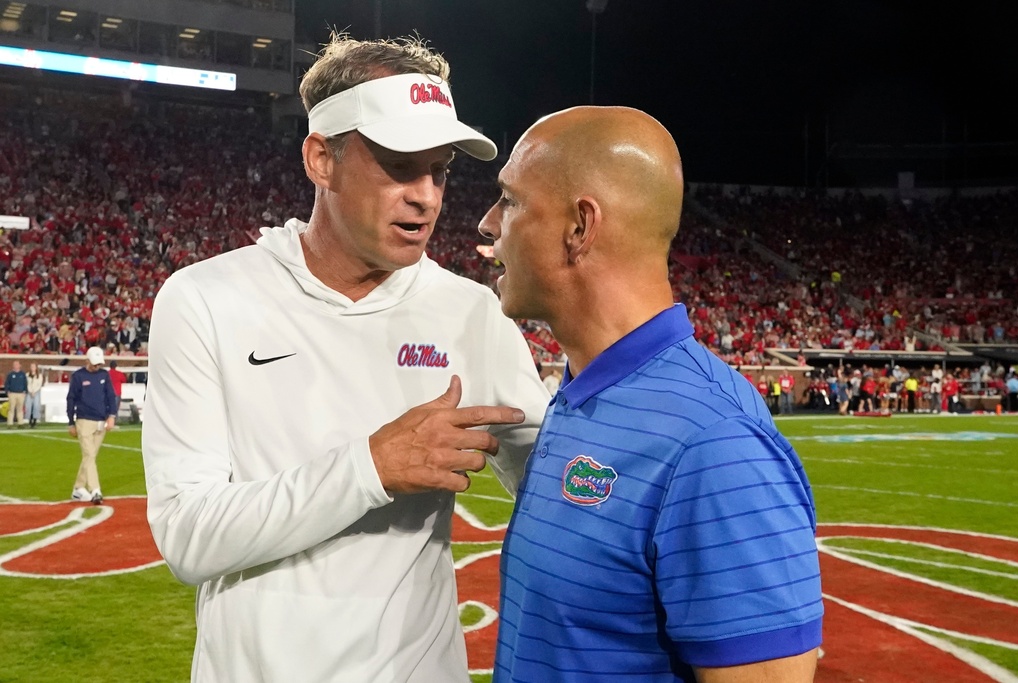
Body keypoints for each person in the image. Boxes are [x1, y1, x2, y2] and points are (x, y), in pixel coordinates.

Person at [141, 35, 549, 683]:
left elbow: (557, 492)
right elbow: (189, 537)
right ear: (321, 158)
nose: (426, 195)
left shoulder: (473, 315)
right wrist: (371, 465)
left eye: (439, 169)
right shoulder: (205, 299)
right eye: (398, 164)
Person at [479, 106, 822, 682]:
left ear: (580, 227)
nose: (489, 223)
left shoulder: (715, 443)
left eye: (510, 200)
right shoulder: (582, 393)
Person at [67, 346, 117, 504]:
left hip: (101, 422)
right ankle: (96, 490)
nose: (97, 367)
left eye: (99, 364)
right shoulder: (78, 376)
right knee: (89, 455)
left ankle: (78, 488)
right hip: (84, 421)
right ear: (87, 361)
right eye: (95, 364)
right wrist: (70, 422)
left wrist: (112, 416)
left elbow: (111, 395)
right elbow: (71, 399)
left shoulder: (104, 375)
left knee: (90, 456)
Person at [4, 359, 28, 428]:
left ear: (20, 365)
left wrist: (25, 391)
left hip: (21, 394)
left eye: (17, 364)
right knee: (11, 409)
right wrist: (7, 391)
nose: (16, 365)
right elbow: (7, 383)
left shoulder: (22, 374)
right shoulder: (10, 374)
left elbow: (25, 383)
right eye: (14, 364)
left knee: (20, 409)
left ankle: (20, 423)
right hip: (12, 393)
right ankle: (10, 424)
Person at [107, 360, 127, 427]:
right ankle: (114, 423)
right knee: (115, 408)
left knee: (108, 407)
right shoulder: (119, 373)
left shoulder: (107, 373)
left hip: (108, 393)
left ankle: (108, 422)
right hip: (117, 393)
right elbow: (124, 380)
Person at [25, 362, 44, 428]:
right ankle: (29, 421)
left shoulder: (39, 376)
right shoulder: (27, 375)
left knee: (36, 406)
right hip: (29, 392)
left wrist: (34, 391)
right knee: (28, 406)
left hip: (36, 392)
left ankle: (35, 421)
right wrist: (30, 391)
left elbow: (39, 385)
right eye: (31, 367)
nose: (33, 368)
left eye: (34, 366)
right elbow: (27, 384)